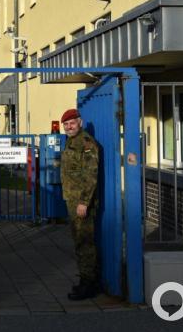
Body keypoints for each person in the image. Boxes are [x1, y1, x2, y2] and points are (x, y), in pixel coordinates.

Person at [59, 108, 101, 300]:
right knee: (79, 241)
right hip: (73, 200)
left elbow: (91, 176)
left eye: (72, 123)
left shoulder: (86, 144)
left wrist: (84, 203)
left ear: (80, 123)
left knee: (85, 243)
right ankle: (84, 280)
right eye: (66, 124)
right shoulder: (71, 141)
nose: (69, 127)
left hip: (82, 204)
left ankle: (89, 285)